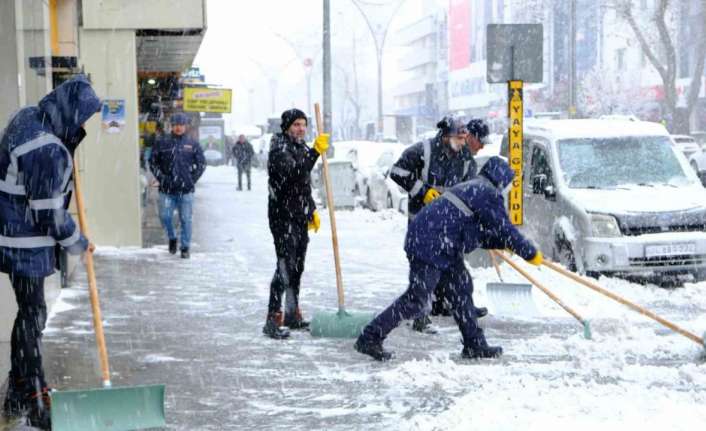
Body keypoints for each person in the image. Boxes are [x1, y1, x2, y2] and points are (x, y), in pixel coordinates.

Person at [355, 157, 543, 361]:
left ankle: (474, 344)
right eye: (507, 183)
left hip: (440, 243)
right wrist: (529, 252)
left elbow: (477, 232)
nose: (507, 188)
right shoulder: (487, 193)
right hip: (431, 244)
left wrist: (505, 243)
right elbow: (505, 229)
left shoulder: (474, 187)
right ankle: (370, 337)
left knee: (461, 289)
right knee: (417, 299)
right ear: (501, 179)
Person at [0, 75, 100, 429]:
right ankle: (34, 394)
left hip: (10, 234)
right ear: (71, 112)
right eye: (82, 117)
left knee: (29, 314)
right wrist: (78, 243)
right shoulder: (46, 148)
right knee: (33, 317)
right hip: (24, 242)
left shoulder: (29, 117)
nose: (83, 124)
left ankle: (19, 389)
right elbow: (49, 215)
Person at [389, 116, 484, 334]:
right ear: (445, 136)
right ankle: (420, 315)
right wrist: (422, 191)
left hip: (449, 221)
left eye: (464, 138)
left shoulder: (466, 158)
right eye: (459, 138)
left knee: (452, 265)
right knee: (423, 267)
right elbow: (397, 172)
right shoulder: (422, 150)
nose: (462, 142)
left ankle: (456, 308)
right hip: (422, 220)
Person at [264, 108, 329, 339]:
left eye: (303, 125)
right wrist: (314, 153)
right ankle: (273, 320)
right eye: (296, 125)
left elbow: (303, 185)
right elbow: (293, 174)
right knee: (284, 268)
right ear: (286, 127)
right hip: (282, 217)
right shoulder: (279, 148)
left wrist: (311, 210)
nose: (301, 129)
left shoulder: (299, 147)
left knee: (297, 267)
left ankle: (292, 314)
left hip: (299, 215)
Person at [149, 113, 206, 259]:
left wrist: (191, 179)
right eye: (175, 125)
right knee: (165, 217)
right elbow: (153, 162)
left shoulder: (192, 144)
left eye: (181, 125)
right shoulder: (162, 142)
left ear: (185, 126)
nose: (178, 127)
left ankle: (185, 247)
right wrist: (161, 178)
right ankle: (172, 237)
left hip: (186, 190)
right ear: (171, 126)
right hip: (167, 190)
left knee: (186, 219)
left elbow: (201, 163)